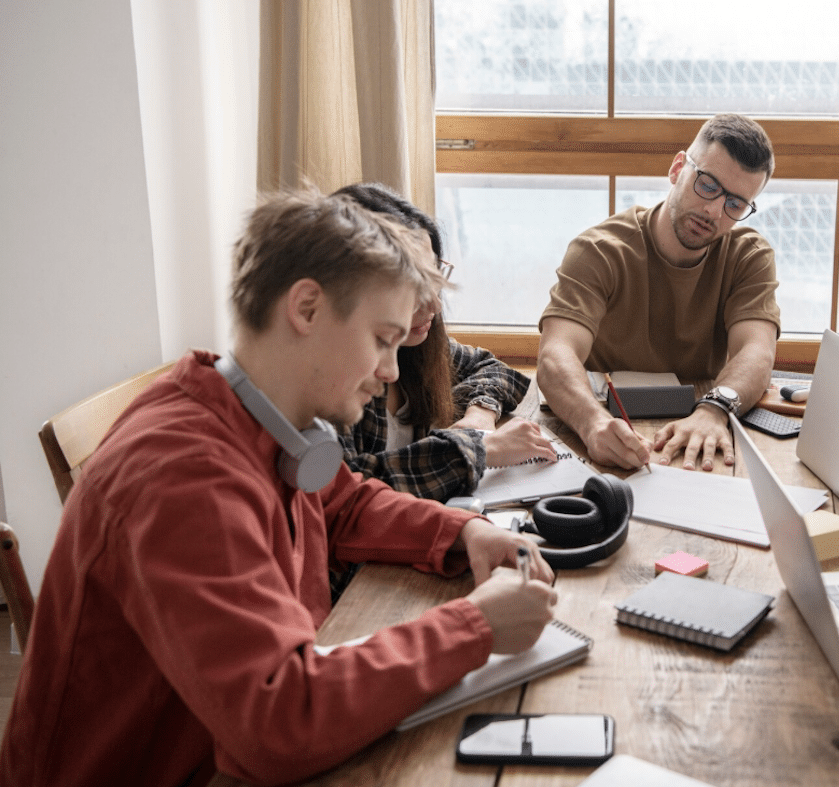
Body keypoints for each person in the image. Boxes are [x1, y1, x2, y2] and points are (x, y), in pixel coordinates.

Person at [0, 188, 558, 787]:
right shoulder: (181, 477)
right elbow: (280, 718)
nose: (393, 371)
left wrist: (465, 530)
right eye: (382, 339)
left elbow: (341, 503)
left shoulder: (257, 412)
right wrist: (473, 627)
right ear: (307, 309)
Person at [538, 113, 781, 472]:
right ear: (677, 168)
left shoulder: (749, 256)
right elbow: (555, 355)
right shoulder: (599, 249)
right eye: (708, 185)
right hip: (603, 425)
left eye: (735, 204)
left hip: (701, 426)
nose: (714, 210)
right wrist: (593, 423)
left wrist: (715, 409)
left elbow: (757, 351)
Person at [331, 183, 556, 503]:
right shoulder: (337, 379)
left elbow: (490, 368)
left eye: (436, 279)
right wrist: (479, 449)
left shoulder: (418, 348)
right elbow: (352, 495)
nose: (435, 305)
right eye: (416, 286)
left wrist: (480, 414)